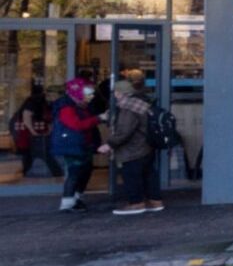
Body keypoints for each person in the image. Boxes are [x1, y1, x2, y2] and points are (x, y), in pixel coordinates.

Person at [104, 77, 163, 215]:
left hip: (133, 148)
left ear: (119, 93)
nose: (114, 95)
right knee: (148, 174)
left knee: (131, 175)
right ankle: (155, 201)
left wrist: (110, 144)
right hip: (146, 145)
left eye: (115, 92)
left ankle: (136, 203)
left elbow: (124, 130)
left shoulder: (129, 107)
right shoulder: (142, 103)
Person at [51, 81, 100, 212]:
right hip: (72, 145)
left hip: (82, 144)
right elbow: (76, 125)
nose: (90, 97)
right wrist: (98, 118)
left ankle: (76, 199)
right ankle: (67, 203)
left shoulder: (79, 105)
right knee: (74, 173)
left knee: (84, 171)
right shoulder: (66, 107)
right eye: (88, 94)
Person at [13, 80, 53, 180]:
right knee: (32, 154)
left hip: (34, 133)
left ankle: (27, 172)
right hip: (31, 134)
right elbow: (26, 117)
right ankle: (27, 171)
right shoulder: (34, 102)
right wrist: (34, 133)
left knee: (32, 154)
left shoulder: (37, 102)